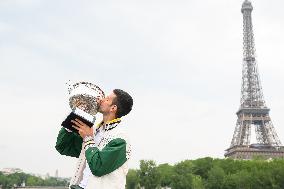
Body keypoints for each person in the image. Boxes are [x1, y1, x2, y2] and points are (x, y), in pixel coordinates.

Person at [55, 89, 133, 189]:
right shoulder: (94, 130)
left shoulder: (120, 139)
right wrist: (76, 116)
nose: (101, 100)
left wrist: (88, 138)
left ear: (113, 108)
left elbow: (98, 167)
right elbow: (63, 147)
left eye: (107, 99)